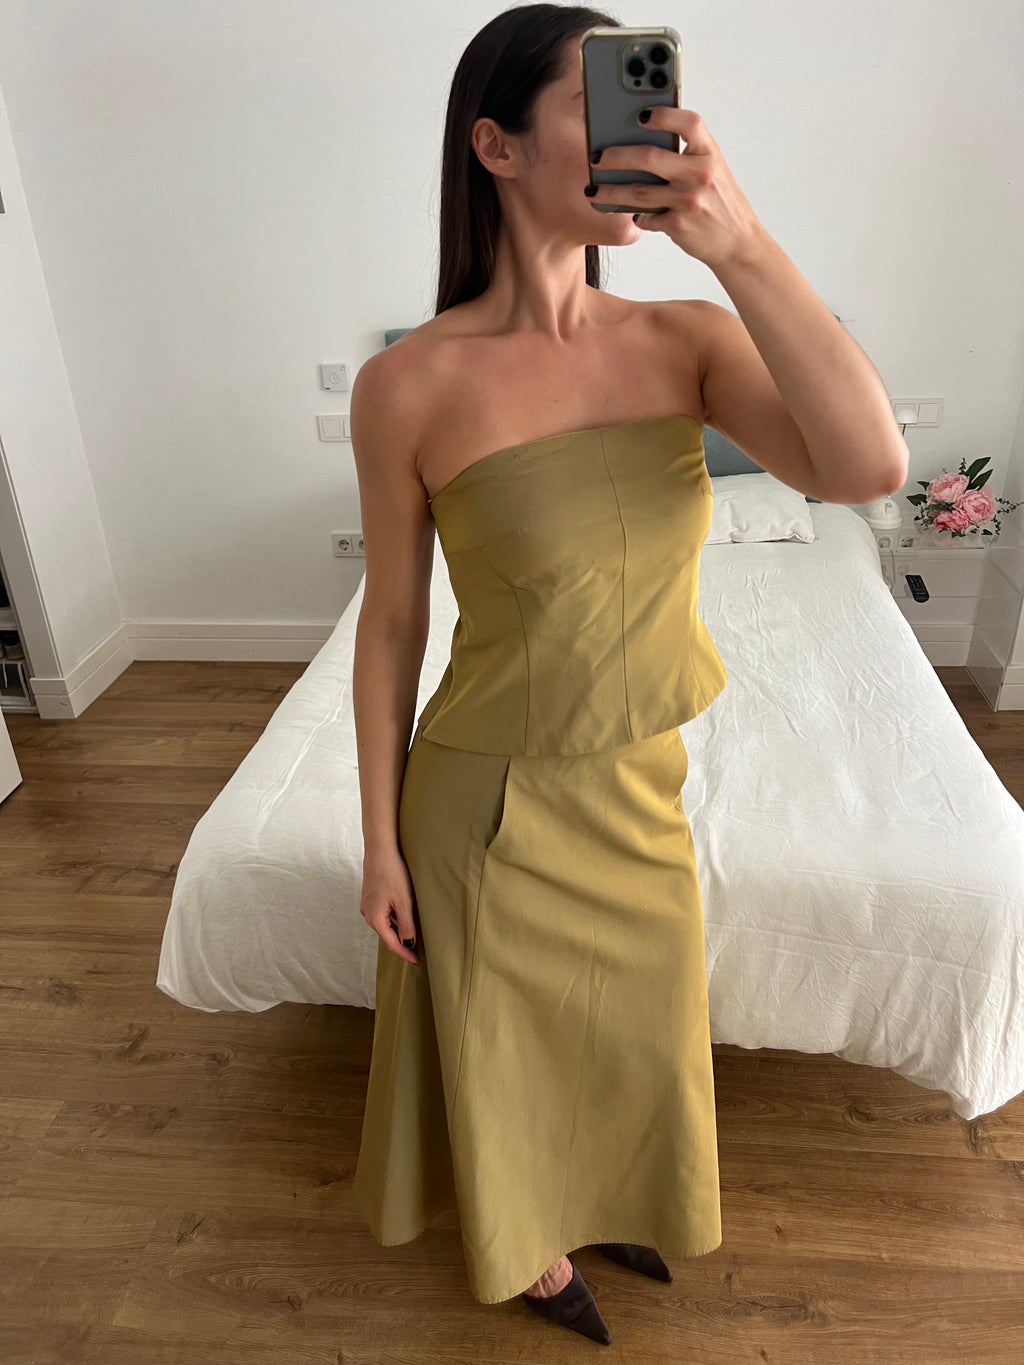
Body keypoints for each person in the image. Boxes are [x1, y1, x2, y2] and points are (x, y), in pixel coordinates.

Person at [349, 2, 908, 1346]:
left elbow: (869, 467)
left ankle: (607, 1192)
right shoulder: (408, 385)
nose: (642, 135)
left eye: (653, 108)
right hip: (485, 800)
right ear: (495, 146)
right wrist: (377, 839)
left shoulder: (685, 342)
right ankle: (531, 1243)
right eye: (601, 108)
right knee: (508, 1040)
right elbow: (392, 623)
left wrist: (742, 243)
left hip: (639, 781)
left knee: (633, 1028)